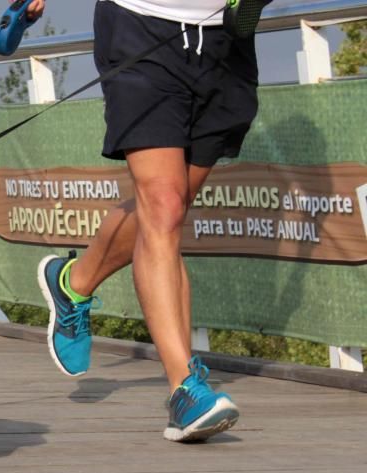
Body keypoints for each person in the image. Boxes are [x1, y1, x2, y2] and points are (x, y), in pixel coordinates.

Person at [25, 0, 265, 442]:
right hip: (139, 23)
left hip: (225, 36)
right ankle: (184, 389)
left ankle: (73, 282)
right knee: (164, 206)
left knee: (172, 204)